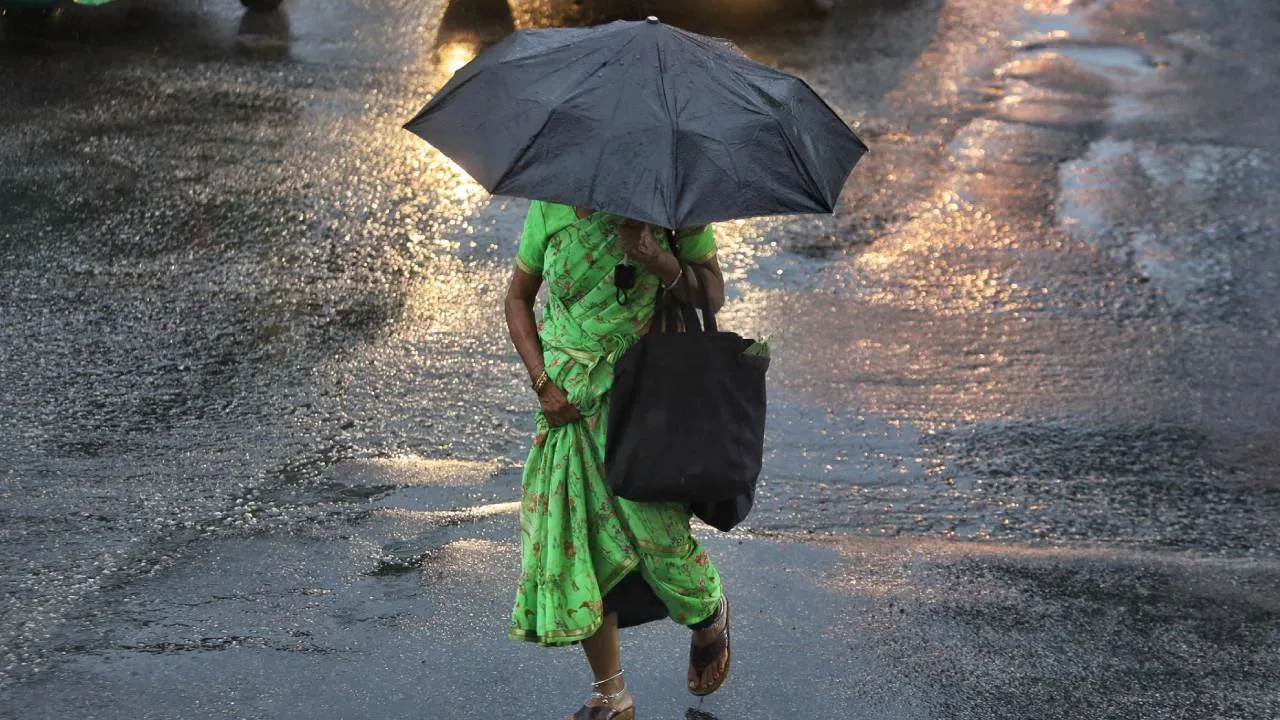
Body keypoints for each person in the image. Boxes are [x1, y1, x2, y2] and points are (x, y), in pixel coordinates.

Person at [504, 201, 732, 720]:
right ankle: (611, 693)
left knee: (659, 538)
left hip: (642, 403)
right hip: (564, 405)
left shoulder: (674, 210)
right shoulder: (551, 208)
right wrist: (543, 382)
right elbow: (518, 298)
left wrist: (656, 257)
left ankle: (708, 612)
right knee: (577, 539)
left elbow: (712, 293)